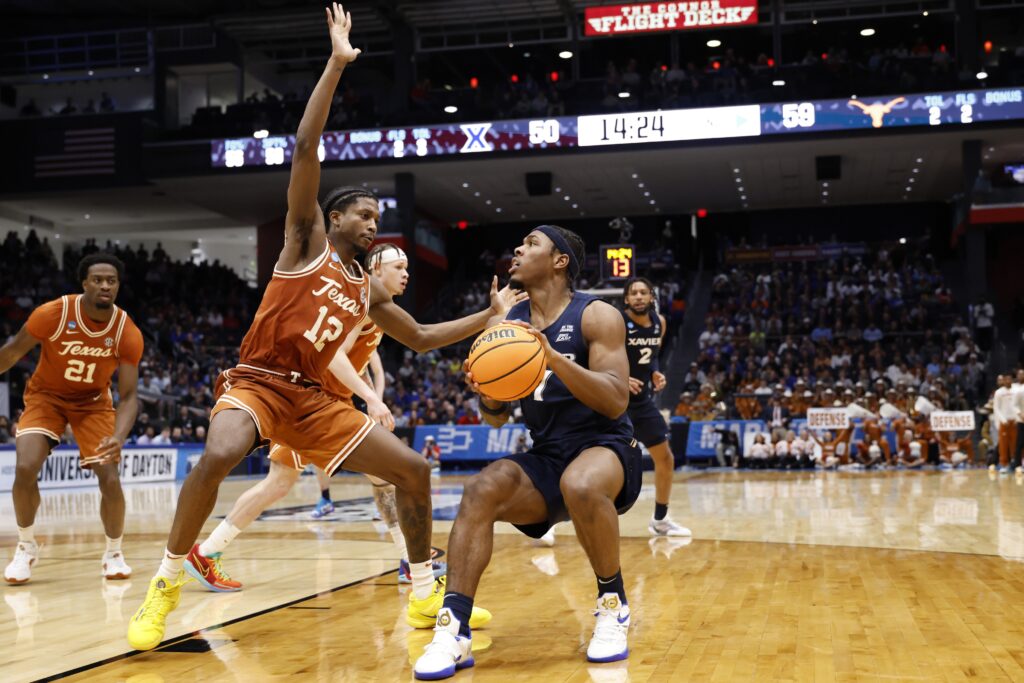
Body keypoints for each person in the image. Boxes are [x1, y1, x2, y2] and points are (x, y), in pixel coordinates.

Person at [127, 6, 518, 651]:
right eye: (364, 215)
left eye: (378, 218)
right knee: (220, 455)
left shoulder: (366, 291)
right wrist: (337, 64)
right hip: (257, 381)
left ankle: (425, 593)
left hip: (314, 401)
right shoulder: (305, 242)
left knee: (414, 472)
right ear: (334, 218)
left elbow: (419, 338)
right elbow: (306, 147)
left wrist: (491, 316)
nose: (374, 225)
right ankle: (164, 585)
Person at [414, 225, 642, 679]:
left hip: (608, 447)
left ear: (560, 261)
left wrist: (552, 358)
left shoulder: (596, 315)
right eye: (519, 244)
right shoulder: (506, 326)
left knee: (580, 481)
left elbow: (617, 399)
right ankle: (453, 627)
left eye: (532, 244)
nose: (518, 249)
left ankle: (612, 603)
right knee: (480, 488)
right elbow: (496, 417)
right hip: (548, 454)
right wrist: (490, 395)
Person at [184, 244, 448, 589]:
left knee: (283, 483)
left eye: (406, 267)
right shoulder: (363, 303)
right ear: (376, 270)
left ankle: (206, 553)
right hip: (313, 404)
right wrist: (370, 397)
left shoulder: (379, 308)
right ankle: (411, 561)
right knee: (384, 477)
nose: (406, 274)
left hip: (326, 402)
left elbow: (355, 361)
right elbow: (337, 356)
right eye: (398, 267)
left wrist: (369, 394)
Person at [0, 253, 143, 584]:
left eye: (111, 281)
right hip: (45, 397)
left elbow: (130, 396)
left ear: (118, 286)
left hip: (92, 403)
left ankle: (113, 552)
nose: (105, 286)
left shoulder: (126, 331)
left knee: (109, 475)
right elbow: (11, 352)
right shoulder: (53, 313)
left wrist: (118, 438)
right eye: (98, 280)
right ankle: (26, 546)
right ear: (85, 283)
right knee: (24, 467)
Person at [621, 277, 690, 537]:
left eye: (643, 292)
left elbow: (652, 357)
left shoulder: (659, 323)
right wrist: (620, 377)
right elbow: (596, 357)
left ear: (652, 297)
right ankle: (554, 519)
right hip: (613, 402)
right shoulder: (616, 323)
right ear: (626, 299)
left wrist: (655, 373)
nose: (639, 297)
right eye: (633, 293)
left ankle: (660, 520)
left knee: (665, 458)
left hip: (641, 402)